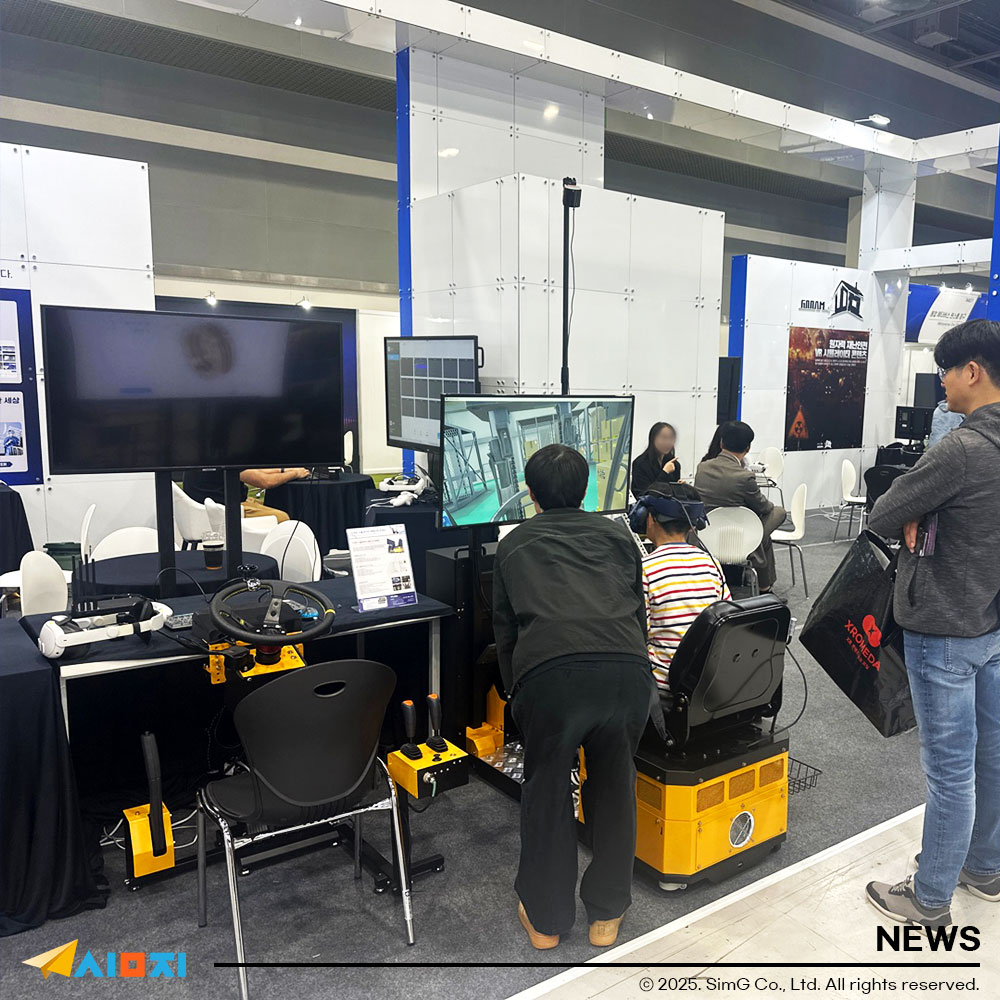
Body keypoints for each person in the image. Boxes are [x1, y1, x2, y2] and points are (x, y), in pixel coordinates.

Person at [865, 318, 1000, 928]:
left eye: (946, 371)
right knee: (991, 756)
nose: (942, 383)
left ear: (972, 370)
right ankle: (985, 866)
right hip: (992, 624)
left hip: (944, 627)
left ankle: (929, 896)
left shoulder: (963, 449)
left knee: (950, 771)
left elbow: (885, 511)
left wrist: (921, 515)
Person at [492, 444, 653, 952]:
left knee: (547, 793)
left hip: (552, 678)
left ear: (530, 491)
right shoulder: (619, 536)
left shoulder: (513, 544)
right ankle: (606, 916)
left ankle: (545, 921)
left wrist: (517, 695)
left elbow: (506, 632)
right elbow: (636, 613)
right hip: (626, 673)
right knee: (614, 787)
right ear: (586, 489)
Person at [639, 483, 730, 692]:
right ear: (692, 525)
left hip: (663, 688)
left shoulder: (645, 569)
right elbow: (726, 621)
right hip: (706, 684)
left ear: (649, 519)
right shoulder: (712, 563)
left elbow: (637, 636)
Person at [694, 421, 786, 593]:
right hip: (738, 537)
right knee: (777, 513)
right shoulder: (745, 477)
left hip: (707, 535)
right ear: (748, 448)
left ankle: (764, 580)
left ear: (721, 443)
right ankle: (765, 587)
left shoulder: (702, 468)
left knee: (761, 533)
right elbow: (764, 507)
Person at [182, 467, 311, 522]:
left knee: (271, 503)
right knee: (283, 517)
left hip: (202, 507)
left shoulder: (210, 451)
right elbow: (265, 482)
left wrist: (284, 470)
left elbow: (254, 471)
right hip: (224, 508)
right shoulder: (226, 456)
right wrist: (295, 474)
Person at [631, 422, 681, 499]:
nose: (668, 442)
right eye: (664, 438)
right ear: (653, 439)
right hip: (648, 508)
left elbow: (674, 497)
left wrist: (680, 488)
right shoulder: (640, 463)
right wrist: (665, 473)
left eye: (671, 438)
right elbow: (645, 495)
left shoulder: (674, 464)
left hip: (669, 508)